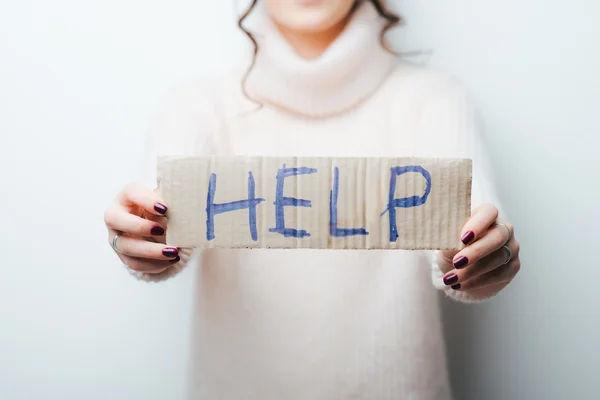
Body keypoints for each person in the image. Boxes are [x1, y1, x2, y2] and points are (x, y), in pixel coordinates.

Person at [104, 0, 521, 398]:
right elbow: (160, 225)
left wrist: (475, 253)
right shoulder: (196, 103)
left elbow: (470, 228)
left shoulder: (435, 99)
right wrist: (145, 236)